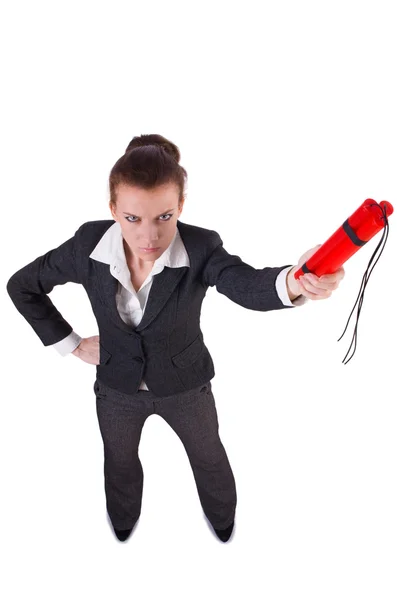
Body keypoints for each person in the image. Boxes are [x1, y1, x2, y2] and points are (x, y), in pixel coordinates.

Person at [6, 134, 345, 543]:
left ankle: (222, 520)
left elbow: (244, 284)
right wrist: (72, 343)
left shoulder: (201, 247)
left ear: (180, 207)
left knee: (209, 457)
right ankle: (122, 522)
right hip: (116, 389)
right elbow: (22, 285)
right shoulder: (87, 244)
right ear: (113, 209)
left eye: (164, 217)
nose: (149, 236)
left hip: (186, 386)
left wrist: (293, 281)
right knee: (119, 462)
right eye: (132, 218)